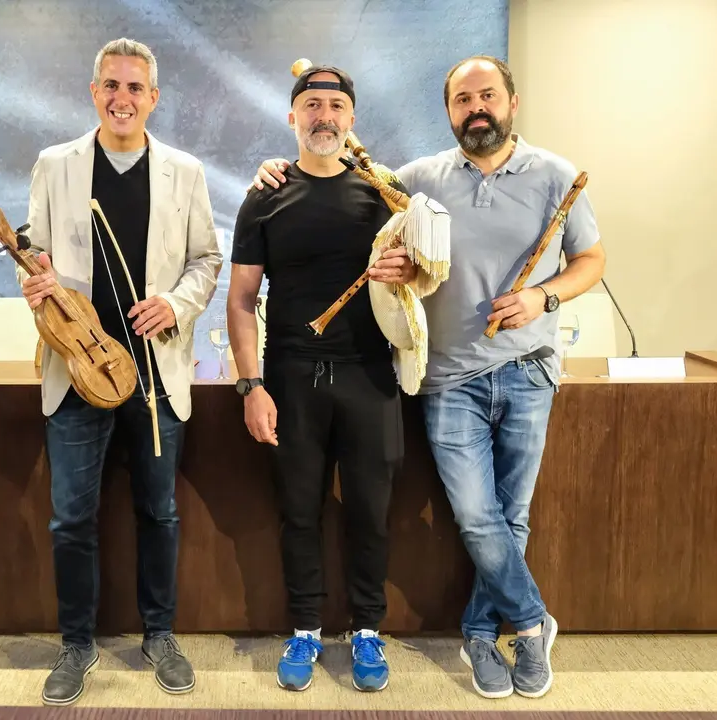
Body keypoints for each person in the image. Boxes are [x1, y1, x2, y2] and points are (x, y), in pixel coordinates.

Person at [249, 55, 605, 700]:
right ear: (448, 111)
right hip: (443, 376)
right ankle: (518, 621)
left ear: (511, 101)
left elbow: (590, 258)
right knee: (474, 516)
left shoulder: (553, 174)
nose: (476, 107)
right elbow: (404, 242)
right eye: (463, 98)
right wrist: (271, 168)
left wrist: (543, 297)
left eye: (487, 95)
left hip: (520, 369)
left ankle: (480, 631)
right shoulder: (415, 181)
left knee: (506, 517)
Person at [18, 38, 222, 706]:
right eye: (111, 85)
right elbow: (35, 248)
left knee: (159, 512)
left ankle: (158, 634)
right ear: (93, 91)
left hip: (156, 373)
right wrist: (36, 281)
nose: (122, 98)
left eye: (135, 87)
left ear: (154, 98)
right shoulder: (55, 165)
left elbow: (206, 261)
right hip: (79, 367)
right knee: (71, 518)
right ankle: (77, 644)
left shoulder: (186, 171)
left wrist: (175, 303)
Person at [228, 64, 418, 694]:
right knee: (299, 512)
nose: (324, 116)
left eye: (336, 105)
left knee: (370, 511)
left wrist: (409, 267)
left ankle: (367, 629)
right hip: (291, 377)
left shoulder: (383, 193)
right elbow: (241, 299)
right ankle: (305, 627)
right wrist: (251, 387)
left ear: (352, 119)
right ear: (293, 118)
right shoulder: (265, 195)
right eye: (312, 105)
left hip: (370, 375)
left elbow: (427, 274)